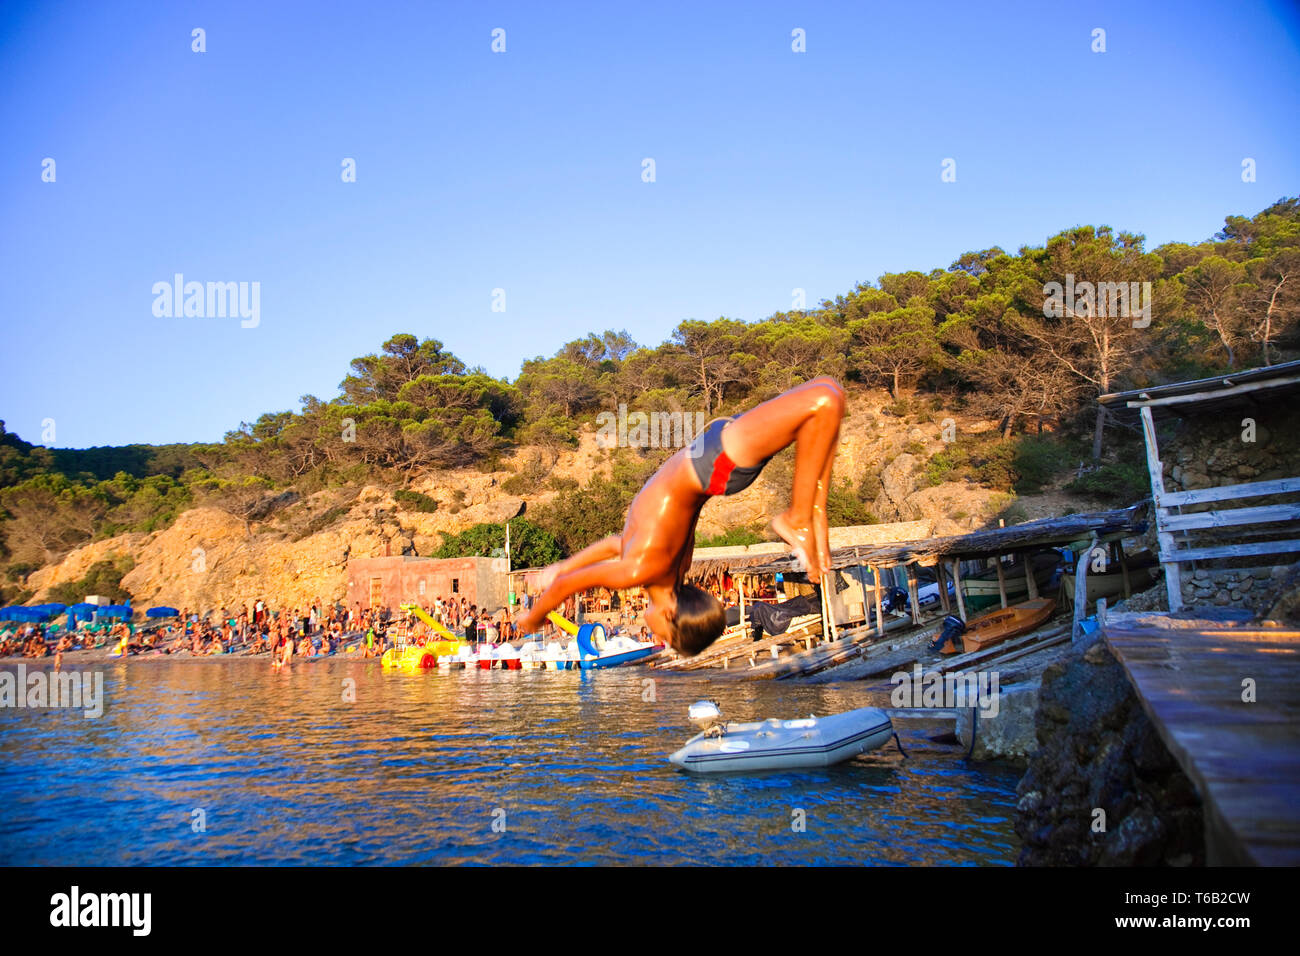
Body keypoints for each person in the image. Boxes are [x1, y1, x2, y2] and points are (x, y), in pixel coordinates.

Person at [516, 378, 845, 656]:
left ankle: (813, 512)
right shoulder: (643, 569)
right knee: (825, 400)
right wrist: (534, 617)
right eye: (668, 637)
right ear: (671, 613)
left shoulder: (666, 566)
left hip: (712, 456)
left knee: (828, 394)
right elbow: (565, 587)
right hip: (716, 463)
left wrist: (563, 565)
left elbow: (614, 545)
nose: (659, 638)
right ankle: (802, 515)